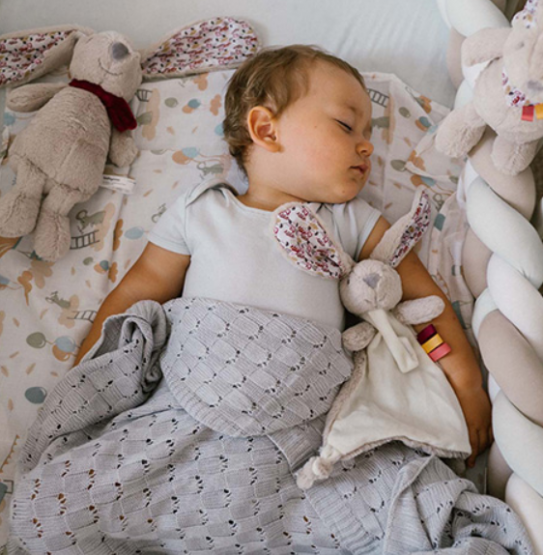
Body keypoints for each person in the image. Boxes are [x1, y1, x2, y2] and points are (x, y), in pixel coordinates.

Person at [76, 45, 492, 469]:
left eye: (368, 133)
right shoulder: (201, 210)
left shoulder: (352, 220)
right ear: (266, 130)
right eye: (346, 126)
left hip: (303, 425)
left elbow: (423, 304)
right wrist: (85, 381)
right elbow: (138, 291)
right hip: (192, 401)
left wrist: (466, 380)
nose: (367, 147)